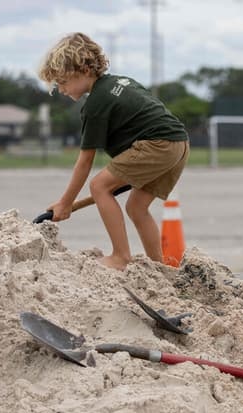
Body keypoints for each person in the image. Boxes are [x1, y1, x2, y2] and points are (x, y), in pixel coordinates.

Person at [37, 32, 190, 270]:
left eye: (63, 81)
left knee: (99, 186)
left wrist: (65, 203)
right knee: (136, 208)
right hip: (178, 143)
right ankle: (160, 267)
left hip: (157, 144)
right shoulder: (121, 82)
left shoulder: (96, 104)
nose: (61, 89)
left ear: (85, 70)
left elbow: (85, 162)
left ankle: (120, 256)